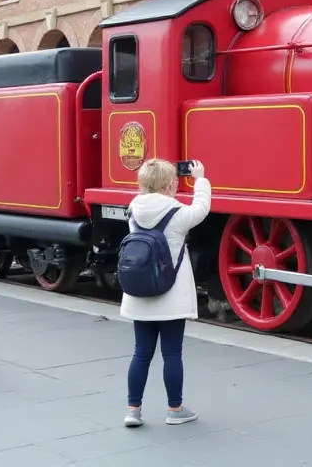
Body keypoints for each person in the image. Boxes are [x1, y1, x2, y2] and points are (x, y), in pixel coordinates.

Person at [121, 158, 211, 428]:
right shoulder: (177, 215)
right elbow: (202, 208)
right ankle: (175, 409)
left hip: (140, 294)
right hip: (170, 295)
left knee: (141, 352)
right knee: (172, 354)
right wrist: (200, 179)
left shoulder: (133, 211)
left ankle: (132, 410)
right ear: (167, 184)